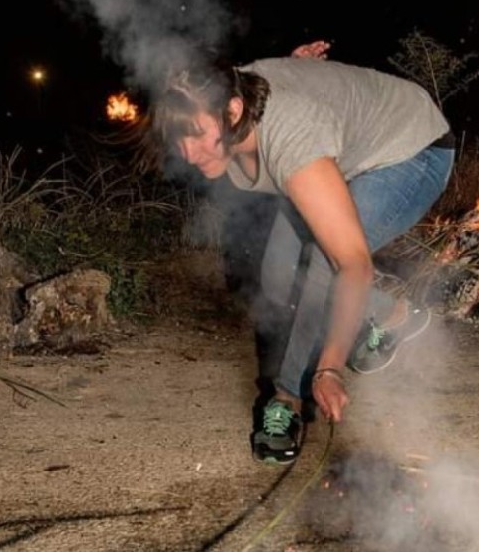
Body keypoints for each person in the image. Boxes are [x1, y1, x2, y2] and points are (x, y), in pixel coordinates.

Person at [147, 42, 455, 465]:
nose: (187, 153)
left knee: (322, 268)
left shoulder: (292, 138)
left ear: (233, 112)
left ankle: (287, 400)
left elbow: (352, 265)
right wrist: (302, 71)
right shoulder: (222, 92)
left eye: (197, 135)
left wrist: (329, 368)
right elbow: (247, 73)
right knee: (276, 275)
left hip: (410, 151)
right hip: (342, 151)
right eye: (180, 139)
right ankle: (392, 315)